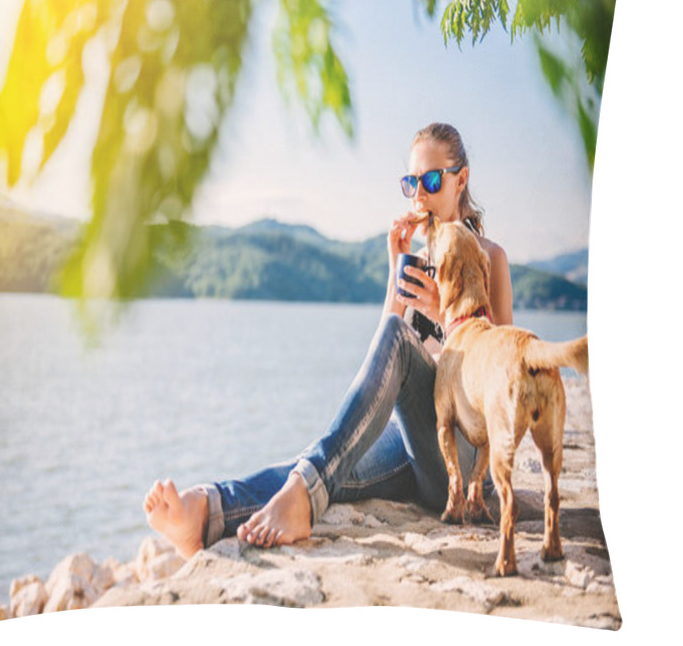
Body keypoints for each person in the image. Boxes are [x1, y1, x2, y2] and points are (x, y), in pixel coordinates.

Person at [143, 122, 513, 558]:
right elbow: (386, 354)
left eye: (432, 182)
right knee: (325, 465)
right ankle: (206, 513)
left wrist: (444, 314)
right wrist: (394, 270)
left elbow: (501, 386)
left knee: (330, 456)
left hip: (462, 457)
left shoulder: (489, 258)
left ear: (460, 180)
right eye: (411, 183)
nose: (420, 196)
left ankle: (292, 499)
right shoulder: (414, 259)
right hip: (409, 438)